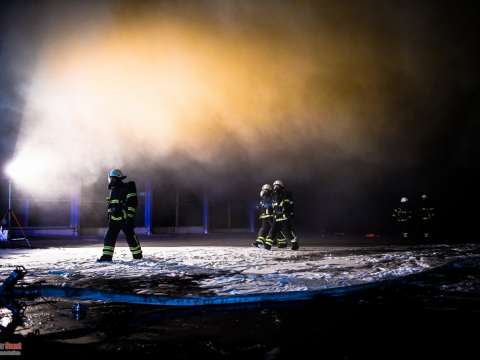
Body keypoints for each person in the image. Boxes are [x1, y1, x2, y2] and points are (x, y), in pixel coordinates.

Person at [97, 169, 143, 262]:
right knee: (109, 237)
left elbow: (132, 202)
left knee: (130, 237)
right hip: (114, 219)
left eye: (112, 178)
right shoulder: (113, 190)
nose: (111, 180)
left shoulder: (128, 186)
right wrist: (110, 214)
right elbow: (112, 205)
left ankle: (138, 256)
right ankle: (106, 257)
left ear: (115, 178)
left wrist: (129, 217)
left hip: (124, 217)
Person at [265, 180, 299, 250]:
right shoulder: (273, 194)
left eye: (277, 185)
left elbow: (289, 204)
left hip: (284, 216)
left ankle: (295, 244)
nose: (275, 187)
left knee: (287, 231)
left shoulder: (286, 193)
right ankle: (268, 245)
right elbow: (271, 203)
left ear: (281, 186)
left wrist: (289, 211)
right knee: (273, 231)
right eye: (274, 186)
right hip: (276, 217)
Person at [253, 184, 274, 248]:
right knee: (264, 229)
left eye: (265, 190)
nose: (264, 192)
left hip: (270, 216)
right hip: (265, 216)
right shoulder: (264, 199)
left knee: (272, 229)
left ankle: (273, 242)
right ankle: (260, 241)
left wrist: (263, 205)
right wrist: (259, 206)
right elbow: (261, 204)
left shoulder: (271, 197)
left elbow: (271, 205)